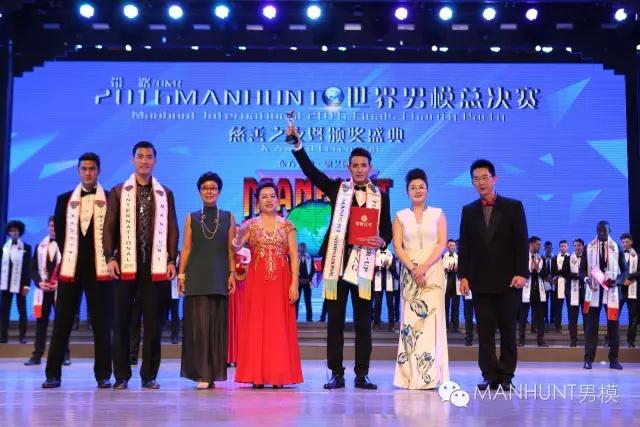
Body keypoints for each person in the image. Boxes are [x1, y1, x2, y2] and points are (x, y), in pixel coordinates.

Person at [290, 126, 392, 390]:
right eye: (355, 165)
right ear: (349, 167)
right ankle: (336, 373)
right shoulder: (338, 189)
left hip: (364, 266)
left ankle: (362, 374)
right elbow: (310, 172)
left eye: (363, 165)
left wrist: (383, 241)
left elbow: (387, 229)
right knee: (334, 322)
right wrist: (298, 146)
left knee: (363, 323)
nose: (359, 169)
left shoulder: (381, 196)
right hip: (336, 265)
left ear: (370, 168)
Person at [104, 141, 179, 390]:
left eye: (149, 157)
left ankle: (149, 375)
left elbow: (172, 228)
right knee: (121, 322)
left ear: (155, 161)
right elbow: (109, 227)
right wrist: (110, 257)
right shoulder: (118, 191)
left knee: (154, 323)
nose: (144, 160)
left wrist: (171, 259)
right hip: (125, 264)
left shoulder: (165, 193)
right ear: (133, 160)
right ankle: (121, 375)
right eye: (140, 156)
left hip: (154, 266)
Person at [43, 152, 113, 389]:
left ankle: (103, 375)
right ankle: (52, 374)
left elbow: (114, 233)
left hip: (99, 269)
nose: (88, 173)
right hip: (71, 268)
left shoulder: (110, 198)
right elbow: (61, 234)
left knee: (102, 323)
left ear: (99, 171)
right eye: (84, 169)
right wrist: (72, 257)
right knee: (62, 322)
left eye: (92, 169)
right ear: (78, 170)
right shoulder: (64, 199)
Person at [458, 159, 528, 391]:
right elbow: (465, 246)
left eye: (485, 177)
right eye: (476, 179)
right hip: (480, 281)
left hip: (509, 281)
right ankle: (489, 375)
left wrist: (522, 272)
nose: (481, 182)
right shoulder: (468, 211)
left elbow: (521, 242)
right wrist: (463, 276)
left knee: (508, 330)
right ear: (472, 183)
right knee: (485, 331)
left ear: (494, 179)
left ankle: (506, 375)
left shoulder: (513, 206)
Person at [233, 181, 302, 388]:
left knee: (279, 327)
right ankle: (257, 375)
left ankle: (278, 375)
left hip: (281, 282)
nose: (269, 200)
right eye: (264, 196)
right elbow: (235, 247)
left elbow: (294, 255)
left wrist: (294, 283)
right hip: (256, 283)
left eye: (272, 196)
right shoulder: (250, 225)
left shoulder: (288, 225)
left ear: (278, 199)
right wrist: (237, 237)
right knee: (256, 325)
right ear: (257, 202)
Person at [178, 172, 236, 389]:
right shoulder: (191, 217)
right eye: (205, 188)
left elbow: (231, 249)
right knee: (198, 328)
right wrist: (181, 275)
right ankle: (201, 374)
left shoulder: (228, 217)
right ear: (199, 192)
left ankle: (211, 373)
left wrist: (232, 273)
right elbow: (186, 248)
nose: (209, 191)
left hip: (219, 276)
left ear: (219, 192)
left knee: (216, 328)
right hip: (196, 277)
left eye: (213, 188)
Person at [392, 168, 449, 389]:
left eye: (421, 187)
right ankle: (409, 376)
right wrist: (413, 268)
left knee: (432, 323)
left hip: (433, 271)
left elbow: (442, 244)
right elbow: (398, 247)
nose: (417, 190)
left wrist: (424, 267)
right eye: (413, 187)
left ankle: (431, 376)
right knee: (411, 325)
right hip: (410, 274)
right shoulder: (400, 216)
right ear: (407, 191)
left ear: (427, 190)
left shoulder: (438, 213)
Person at [25, 217, 71, 366]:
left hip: (60, 290)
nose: (53, 229)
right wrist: (39, 282)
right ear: (48, 227)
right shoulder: (40, 246)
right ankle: (37, 355)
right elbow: (32, 269)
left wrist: (61, 282)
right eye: (51, 226)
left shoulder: (67, 245)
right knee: (41, 323)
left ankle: (65, 355)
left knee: (62, 323)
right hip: (43, 291)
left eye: (55, 226)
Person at [583, 221, 625, 370]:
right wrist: (586, 279)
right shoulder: (589, 247)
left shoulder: (617, 247)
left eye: (604, 232)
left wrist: (618, 281)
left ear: (610, 231)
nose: (601, 234)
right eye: (599, 232)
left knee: (613, 326)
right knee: (591, 327)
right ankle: (588, 359)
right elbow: (582, 270)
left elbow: (625, 271)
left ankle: (614, 360)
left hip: (611, 290)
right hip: (594, 290)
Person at [0, 220, 31, 343]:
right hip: (6, 284)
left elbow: (28, 267)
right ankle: (3, 336)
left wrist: (27, 285)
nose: (13, 233)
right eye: (11, 231)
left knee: (22, 310)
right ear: (8, 233)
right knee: (4, 311)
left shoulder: (26, 248)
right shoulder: (3, 247)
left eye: (15, 231)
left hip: (21, 284)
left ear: (20, 232)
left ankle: (22, 336)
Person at [518, 237, 547, 347]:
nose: (539, 246)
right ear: (531, 244)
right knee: (523, 316)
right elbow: (520, 273)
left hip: (538, 290)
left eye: (539, 244)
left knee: (540, 317)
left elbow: (545, 275)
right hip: (526, 290)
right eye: (537, 244)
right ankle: (521, 340)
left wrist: (538, 269)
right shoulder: (523, 258)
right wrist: (530, 269)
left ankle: (540, 340)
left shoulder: (541, 258)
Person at [228, 246, 250, 366]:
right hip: (229, 289)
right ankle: (228, 356)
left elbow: (249, 270)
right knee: (229, 321)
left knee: (241, 321)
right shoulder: (228, 250)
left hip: (243, 289)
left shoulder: (247, 252)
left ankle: (240, 356)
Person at [372, 248, 398, 332]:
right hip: (378, 281)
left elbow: (394, 270)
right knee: (377, 304)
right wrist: (380, 266)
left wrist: (388, 265)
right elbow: (372, 269)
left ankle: (391, 325)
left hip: (388, 282)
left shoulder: (391, 255)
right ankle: (376, 325)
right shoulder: (375, 254)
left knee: (390, 304)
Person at [567, 238, 587, 347]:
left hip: (586, 292)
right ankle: (573, 339)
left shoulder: (588, 258)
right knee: (572, 317)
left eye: (579, 245)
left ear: (583, 246)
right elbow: (565, 273)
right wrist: (576, 275)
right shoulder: (569, 258)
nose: (577, 247)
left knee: (586, 316)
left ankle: (587, 339)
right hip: (572, 292)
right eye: (575, 245)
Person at [620, 233, 638, 348]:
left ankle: (630, 341)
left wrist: (630, 279)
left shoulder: (637, 255)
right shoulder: (618, 255)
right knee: (613, 316)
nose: (625, 244)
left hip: (633, 288)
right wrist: (622, 280)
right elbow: (615, 271)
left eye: (627, 241)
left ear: (631, 242)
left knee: (633, 317)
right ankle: (610, 340)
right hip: (620, 290)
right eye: (623, 242)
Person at [551, 240, 571, 332]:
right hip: (559, 284)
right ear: (559, 247)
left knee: (570, 306)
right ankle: (558, 326)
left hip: (569, 285)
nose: (563, 248)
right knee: (558, 306)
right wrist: (558, 276)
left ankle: (571, 326)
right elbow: (553, 272)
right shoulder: (555, 258)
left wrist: (565, 276)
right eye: (562, 246)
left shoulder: (572, 258)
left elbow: (572, 271)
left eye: (565, 246)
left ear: (567, 247)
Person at [443, 239, 461, 332]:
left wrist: (458, 269)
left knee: (455, 306)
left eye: (454, 245)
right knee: (446, 306)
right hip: (446, 286)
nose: (452, 247)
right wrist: (447, 269)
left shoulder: (458, 257)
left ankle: (455, 326)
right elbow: (441, 270)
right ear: (447, 246)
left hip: (455, 285)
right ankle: (445, 326)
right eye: (450, 245)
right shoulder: (443, 257)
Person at [296, 242, 315, 322]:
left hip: (307, 282)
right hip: (298, 282)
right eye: (301, 247)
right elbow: (291, 269)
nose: (303, 248)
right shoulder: (295, 258)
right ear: (298, 248)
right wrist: (296, 278)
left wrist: (309, 278)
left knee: (308, 301)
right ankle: (294, 318)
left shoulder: (309, 257)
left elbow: (313, 269)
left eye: (304, 247)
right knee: (296, 301)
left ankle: (309, 319)